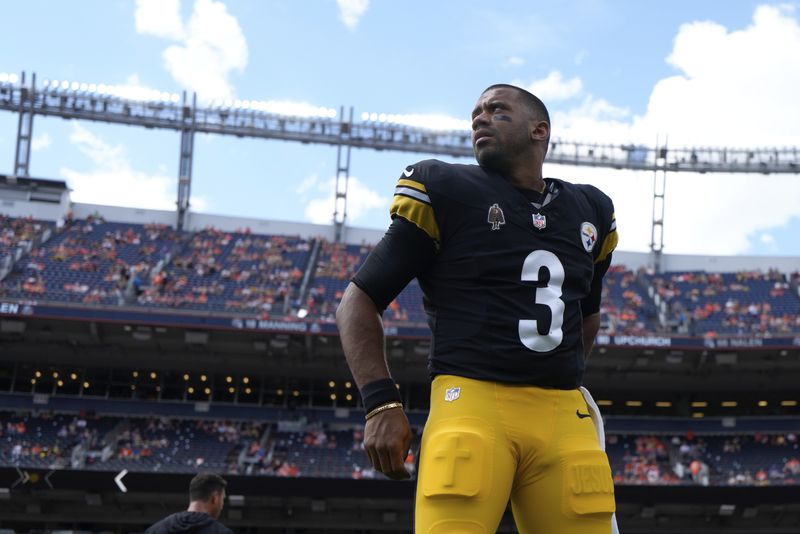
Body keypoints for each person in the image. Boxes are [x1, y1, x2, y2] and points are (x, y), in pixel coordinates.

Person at [336, 84, 619, 533]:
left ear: (538, 131)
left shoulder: (591, 210)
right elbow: (359, 299)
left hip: (563, 417)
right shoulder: (447, 188)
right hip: (472, 402)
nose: (479, 119)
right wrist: (380, 403)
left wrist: (563, 375)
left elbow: (587, 312)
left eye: (496, 110)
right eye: (475, 114)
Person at [145, 472, 232, 534]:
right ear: (215, 498)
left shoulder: (155, 530)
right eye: (222, 499)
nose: (222, 505)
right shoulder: (221, 531)